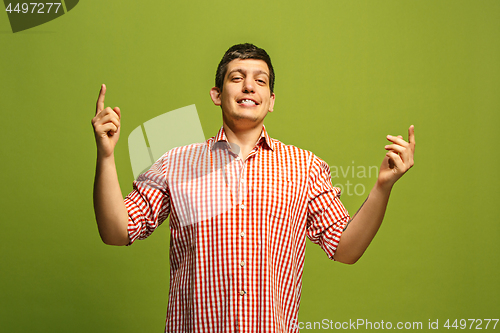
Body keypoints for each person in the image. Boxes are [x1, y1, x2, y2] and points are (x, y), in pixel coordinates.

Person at [91, 43, 415, 332]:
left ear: (270, 100)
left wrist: (382, 186)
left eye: (260, 80)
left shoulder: (305, 168)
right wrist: (106, 156)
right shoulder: (175, 163)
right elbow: (117, 232)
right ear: (217, 94)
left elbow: (346, 249)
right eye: (236, 78)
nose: (249, 86)